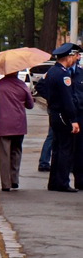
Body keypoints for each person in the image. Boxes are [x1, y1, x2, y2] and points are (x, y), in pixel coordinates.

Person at [0, 72, 33, 191]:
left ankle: (6, 184)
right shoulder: (22, 85)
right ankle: (14, 180)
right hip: (19, 124)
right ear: (17, 72)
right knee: (16, 151)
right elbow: (30, 105)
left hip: (2, 125)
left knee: (4, 154)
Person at [44, 43, 80, 192]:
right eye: (75, 56)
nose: (76, 60)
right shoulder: (64, 74)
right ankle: (63, 182)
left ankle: (54, 182)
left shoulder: (52, 71)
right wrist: (74, 120)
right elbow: (67, 99)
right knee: (65, 150)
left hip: (54, 113)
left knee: (57, 149)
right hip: (63, 115)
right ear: (69, 57)